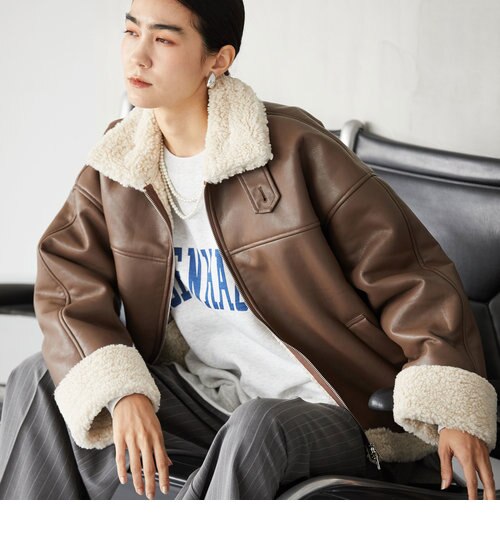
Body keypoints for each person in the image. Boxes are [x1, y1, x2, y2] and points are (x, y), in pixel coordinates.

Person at [0, 0, 497, 500]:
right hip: (211, 399)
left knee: (258, 427)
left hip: (339, 411)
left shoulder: (294, 150)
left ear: (218, 59)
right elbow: (66, 281)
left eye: (164, 39)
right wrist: (123, 390)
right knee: (42, 376)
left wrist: (449, 408)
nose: (139, 55)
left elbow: (411, 274)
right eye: (132, 33)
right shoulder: (119, 166)